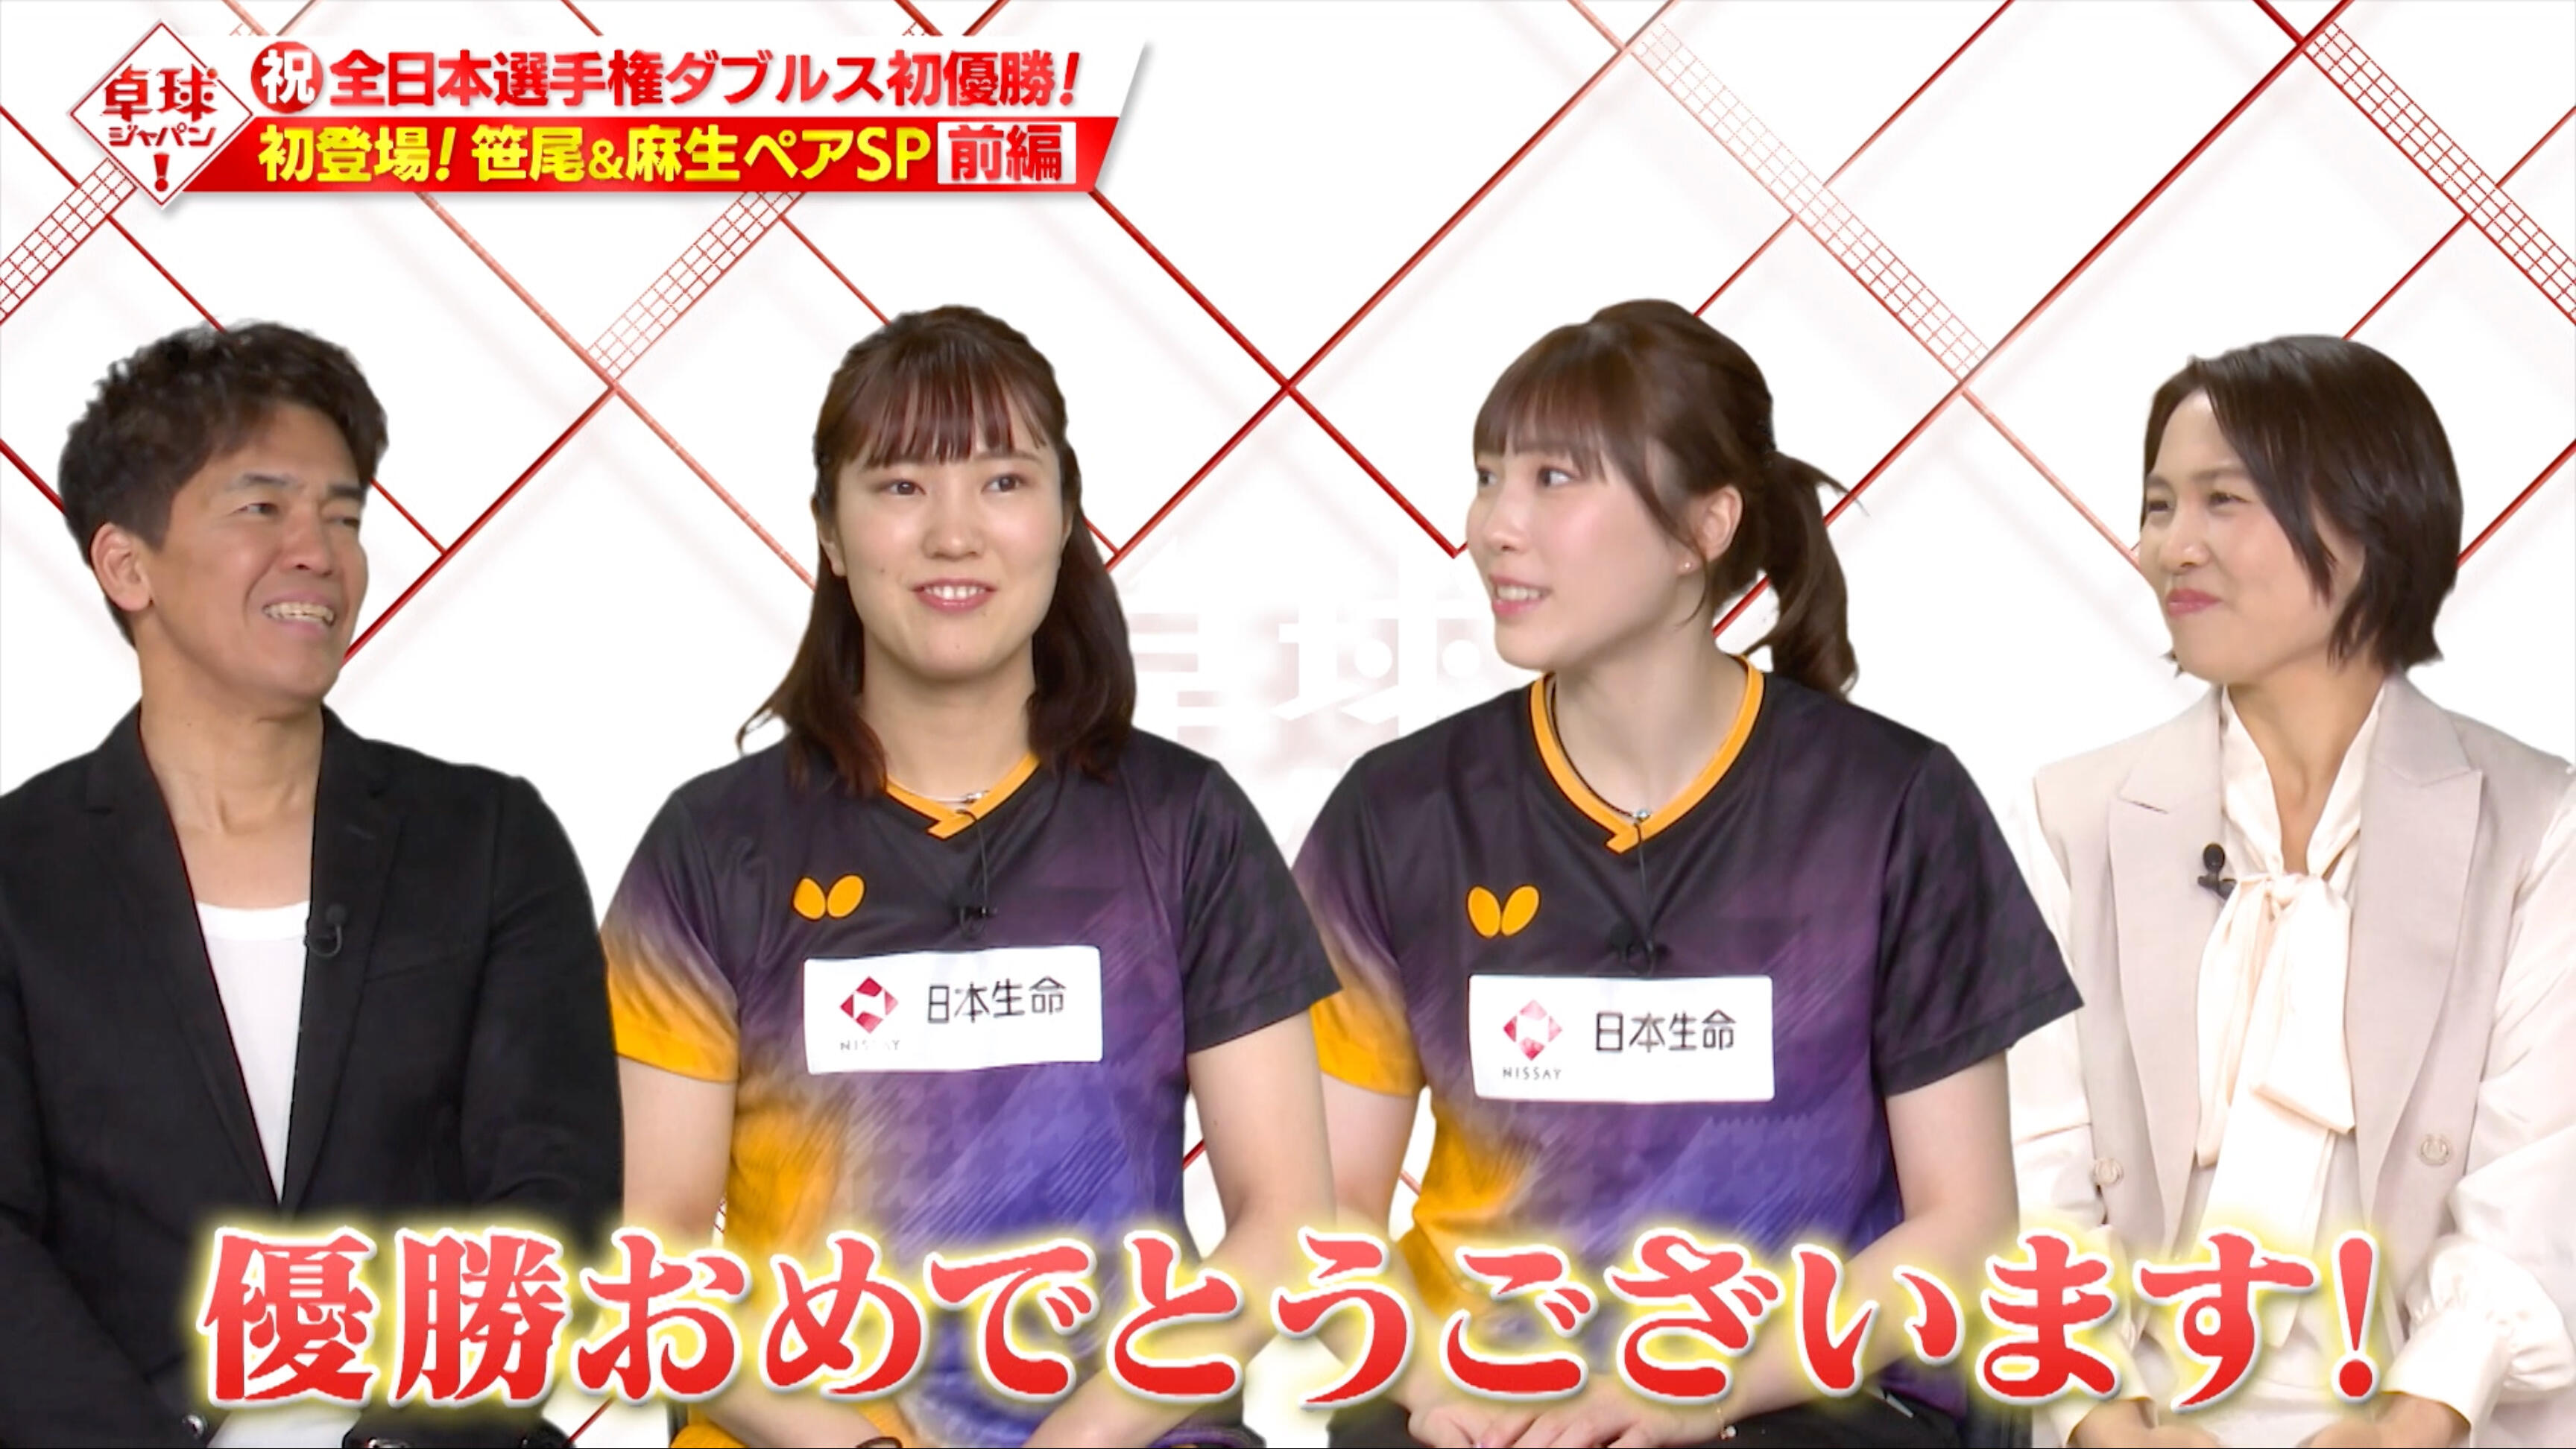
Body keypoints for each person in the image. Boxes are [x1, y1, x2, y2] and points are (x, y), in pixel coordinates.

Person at [1301, 299, 2080, 1448]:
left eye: (1555, 478)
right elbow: (1324, 1216)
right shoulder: (1399, 813)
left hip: (1808, 1400)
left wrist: (1697, 1392)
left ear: (1702, 528)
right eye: (1489, 476)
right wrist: (1440, 1388)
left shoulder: (1893, 806)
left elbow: (1962, 1227)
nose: (1494, 526)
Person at [607, 305, 1339, 1448]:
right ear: (831, 532)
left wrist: (1075, 1442)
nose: (954, 534)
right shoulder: (713, 846)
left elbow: (1284, 1221)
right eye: (901, 486)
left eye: (1003, 481)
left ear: (1064, 518)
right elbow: (651, 1245)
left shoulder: (1185, 824)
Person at [0, 323, 622, 1446]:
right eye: (263, 508)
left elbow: (554, 1197)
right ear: (127, 564)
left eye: (343, 517)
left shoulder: (487, 841)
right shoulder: (19, 872)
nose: (320, 554)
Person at [2007, 335, 2575, 1449]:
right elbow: (2031, 1168)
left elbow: (2545, 1174)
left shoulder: (2536, 825)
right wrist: (2105, 1420)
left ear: (2369, 525)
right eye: (2160, 504)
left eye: (2225, 500)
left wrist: (2409, 1425)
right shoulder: (2073, 820)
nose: (2172, 545)